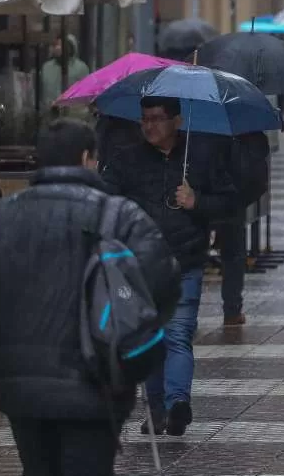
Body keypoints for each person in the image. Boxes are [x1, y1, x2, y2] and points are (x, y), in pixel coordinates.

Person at [0, 120, 180, 476]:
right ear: (88, 159)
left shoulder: (0, 220)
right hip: (96, 382)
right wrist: (133, 346)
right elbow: (163, 280)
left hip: (22, 389)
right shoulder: (119, 215)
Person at [101, 96, 238, 436]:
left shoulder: (200, 156)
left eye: (157, 118)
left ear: (176, 120)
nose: (149, 126)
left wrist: (197, 202)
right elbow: (108, 202)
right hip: (139, 266)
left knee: (177, 334)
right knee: (151, 337)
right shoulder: (127, 160)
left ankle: (178, 403)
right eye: (145, 118)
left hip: (184, 261)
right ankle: (157, 407)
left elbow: (230, 202)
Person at [212, 132, 270, 326]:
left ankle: (186, 314)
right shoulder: (249, 130)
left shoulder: (191, 124)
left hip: (198, 196)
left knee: (190, 255)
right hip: (232, 201)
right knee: (233, 253)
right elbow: (259, 180)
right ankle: (232, 309)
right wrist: (239, 200)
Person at [39, 35, 91, 110]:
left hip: (72, 113)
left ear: (70, 48)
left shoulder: (81, 67)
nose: (57, 48)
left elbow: (85, 93)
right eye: (56, 45)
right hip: (49, 111)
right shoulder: (46, 67)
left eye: (61, 45)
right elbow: (41, 91)